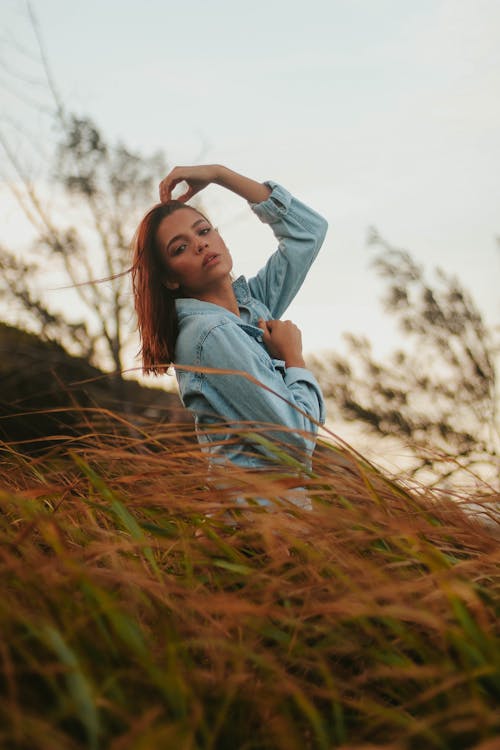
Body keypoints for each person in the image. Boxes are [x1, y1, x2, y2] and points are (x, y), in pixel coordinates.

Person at [131, 165, 328, 504]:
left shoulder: (250, 308)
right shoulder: (211, 334)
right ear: (170, 280)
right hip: (258, 525)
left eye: (203, 230)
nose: (200, 244)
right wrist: (294, 359)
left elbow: (308, 232)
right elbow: (292, 442)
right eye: (180, 248)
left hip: (280, 522)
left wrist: (219, 176)